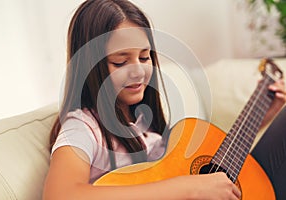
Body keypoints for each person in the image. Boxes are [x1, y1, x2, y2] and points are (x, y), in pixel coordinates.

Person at [42, 0, 286, 199]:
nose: (138, 71)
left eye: (145, 57)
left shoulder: (142, 118)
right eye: (120, 61)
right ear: (90, 65)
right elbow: (60, 195)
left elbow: (211, 167)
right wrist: (189, 188)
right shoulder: (82, 126)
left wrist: (261, 117)